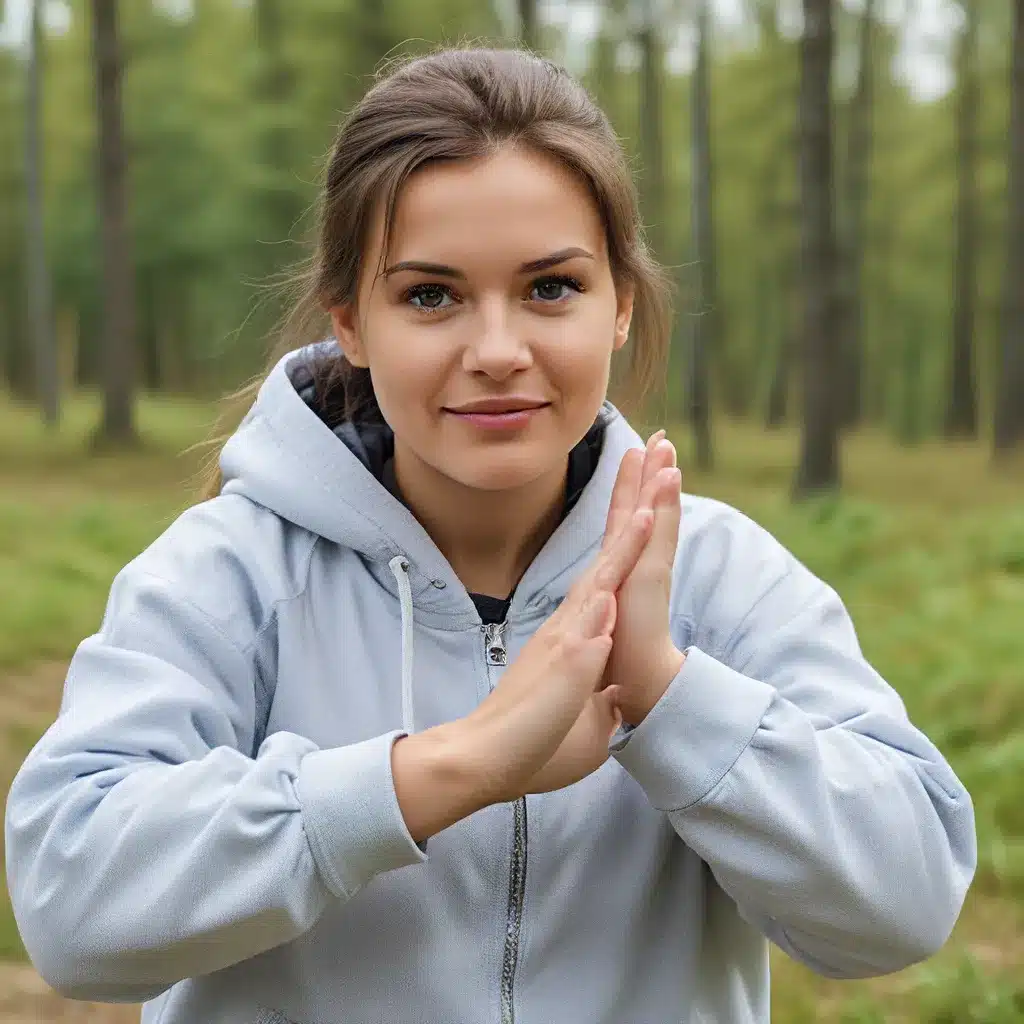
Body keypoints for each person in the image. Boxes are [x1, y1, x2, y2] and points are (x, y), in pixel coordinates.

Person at [5, 47, 975, 1024]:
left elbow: (903, 906)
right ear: (350, 320)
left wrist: (665, 696)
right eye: (431, 296)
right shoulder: (228, 574)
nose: (499, 351)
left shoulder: (720, 578)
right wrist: (449, 768)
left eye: (551, 287)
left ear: (621, 306)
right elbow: (72, 908)